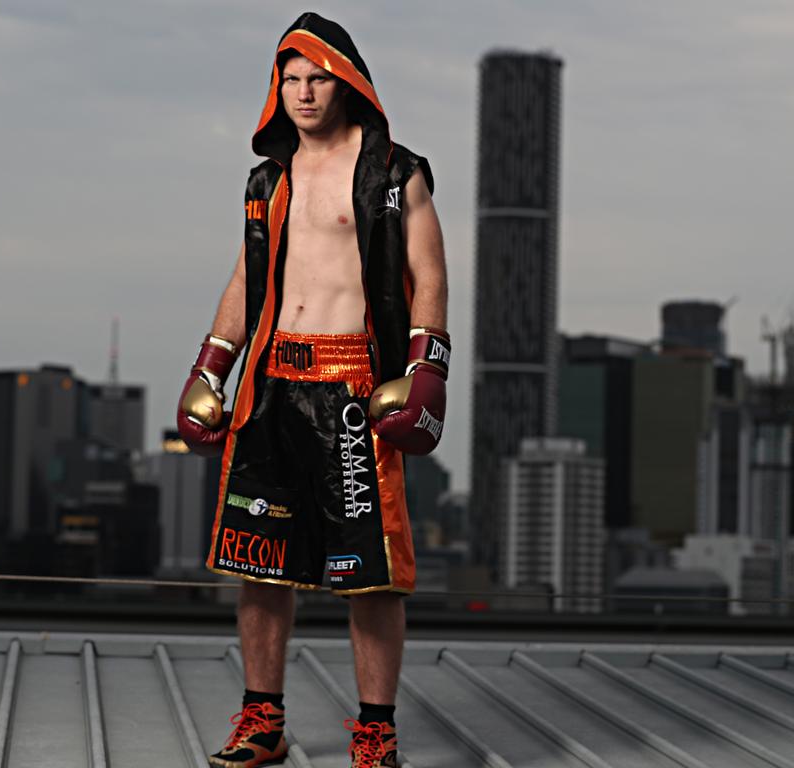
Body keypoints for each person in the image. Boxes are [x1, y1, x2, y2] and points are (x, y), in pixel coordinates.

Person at [176, 12, 448, 768]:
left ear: (347, 83)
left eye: (316, 77)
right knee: (258, 563)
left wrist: (427, 369)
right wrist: (210, 369)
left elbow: (428, 276)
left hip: (355, 386)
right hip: (272, 383)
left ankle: (376, 731)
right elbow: (245, 280)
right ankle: (262, 721)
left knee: (371, 576)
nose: (301, 92)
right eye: (290, 79)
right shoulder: (270, 179)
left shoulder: (395, 172)